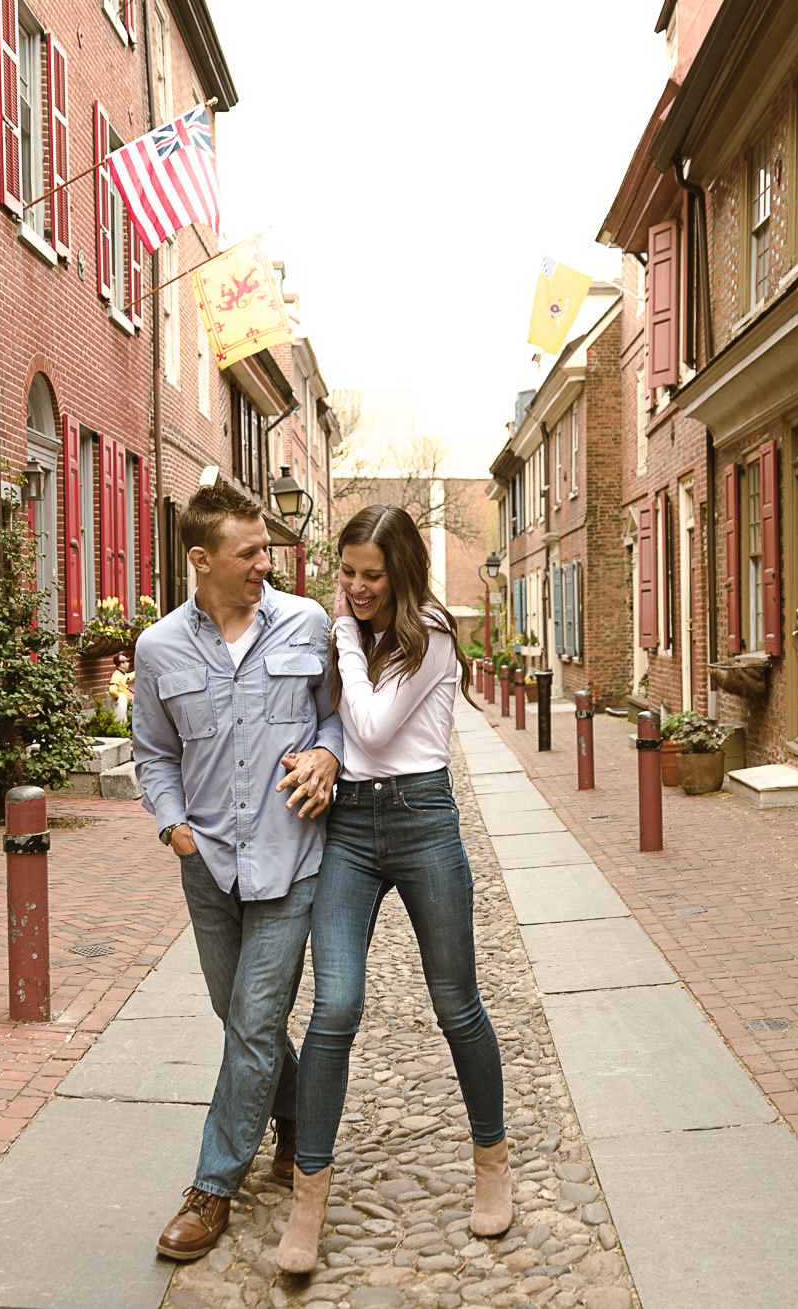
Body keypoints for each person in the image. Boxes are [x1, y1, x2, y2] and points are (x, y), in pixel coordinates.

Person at [275, 504, 510, 1275]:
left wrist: (342, 629)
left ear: (400, 571)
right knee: (334, 1004)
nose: (355, 587)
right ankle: (309, 1195)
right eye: (346, 573)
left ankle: (491, 1160)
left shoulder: (432, 633)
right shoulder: (355, 629)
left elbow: (371, 729)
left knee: (456, 1002)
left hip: (421, 820)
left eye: (370, 575)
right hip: (350, 827)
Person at [131, 481, 344, 1261]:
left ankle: (211, 1186)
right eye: (249, 551)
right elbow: (153, 752)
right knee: (238, 1017)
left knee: (254, 1022)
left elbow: (335, 716)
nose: (266, 562)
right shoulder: (157, 650)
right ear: (202, 559)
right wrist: (174, 825)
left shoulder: (305, 622)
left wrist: (328, 752)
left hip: (292, 861)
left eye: (266, 548)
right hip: (208, 866)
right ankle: (292, 1113)